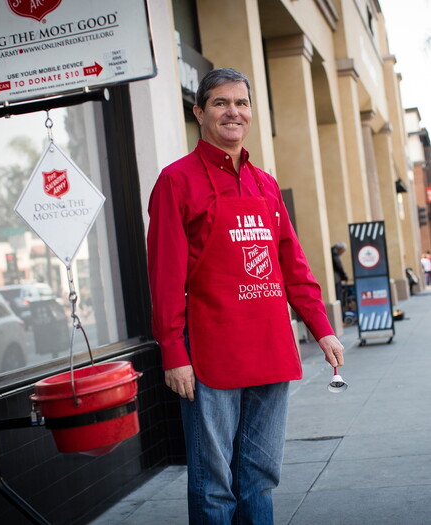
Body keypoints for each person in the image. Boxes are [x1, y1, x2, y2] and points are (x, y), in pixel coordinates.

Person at [147, 68, 344, 524]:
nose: (232, 112)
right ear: (199, 113)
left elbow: (292, 265)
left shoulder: (265, 184)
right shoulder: (176, 181)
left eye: (241, 103)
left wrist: (322, 328)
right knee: (212, 483)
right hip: (210, 354)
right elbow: (165, 276)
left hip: (270, 347)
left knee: (260, 476)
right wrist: (173, 352)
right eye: (220, 103)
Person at [331, 242, 349, 306]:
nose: (342, 253)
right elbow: (338, 265)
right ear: (340, 249)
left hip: (336, 277)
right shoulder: (334, 253)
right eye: (342, 251)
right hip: (336, 278)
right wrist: (343, 274)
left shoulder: (333, 252)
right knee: (338, 294)